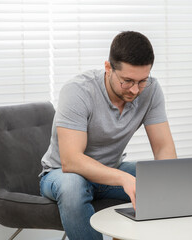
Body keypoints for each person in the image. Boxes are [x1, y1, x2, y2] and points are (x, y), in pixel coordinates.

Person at [39, 31, 177, 240]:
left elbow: (163, 148)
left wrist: (168, 180)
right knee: (73, 186)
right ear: (108, 68)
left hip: (111, 169)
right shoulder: (77, 91)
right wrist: (122, 178)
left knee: (163, 180)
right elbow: (71, 160)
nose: (135, 90)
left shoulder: (151, 90)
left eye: (142, 81)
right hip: (61, 174)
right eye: (127, 81)